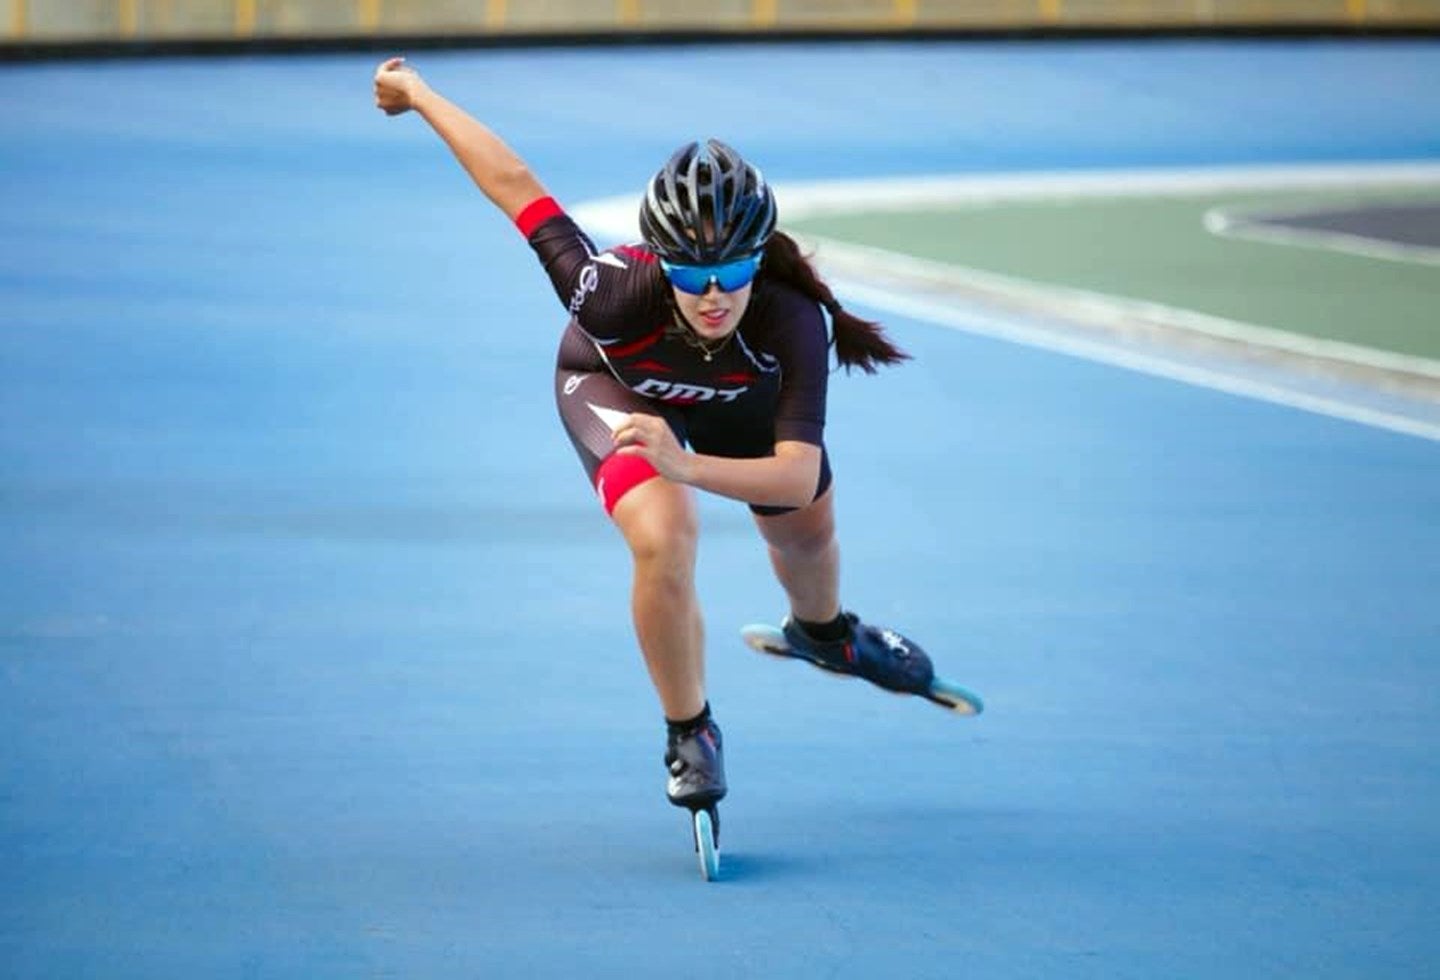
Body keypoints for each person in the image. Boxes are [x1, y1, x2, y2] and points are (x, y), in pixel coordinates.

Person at [373, 57, 940, 815]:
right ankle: (690, 731)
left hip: (736, 405)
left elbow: (797, 477)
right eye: (691, 270)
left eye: (734, 269)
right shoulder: (610, 292)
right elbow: (514, 184)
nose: (713, 294)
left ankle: (826, 634)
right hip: (619, 395)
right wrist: (419, 93)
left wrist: (690, 462)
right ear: (659, 260)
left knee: (805, 536)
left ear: (760, 258)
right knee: (663, 537)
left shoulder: (791, 318)